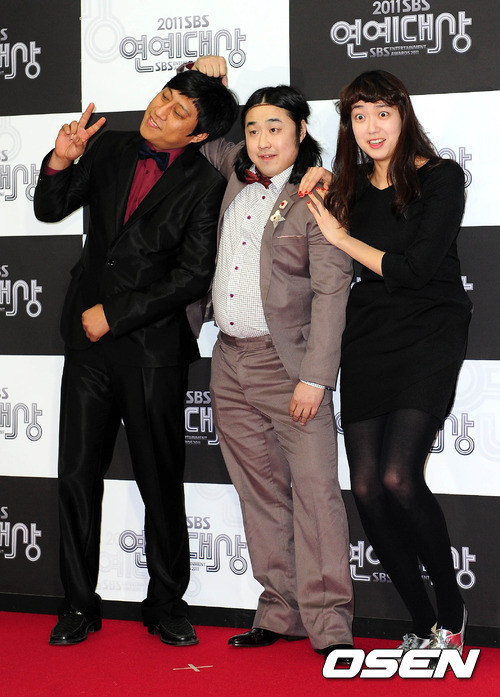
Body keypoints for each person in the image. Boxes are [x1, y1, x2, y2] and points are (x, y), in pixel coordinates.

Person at [33, 70, 239, 647]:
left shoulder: (205, 183)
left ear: (198, 136)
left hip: (151, 350)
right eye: (164, 97)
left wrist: (115, 314)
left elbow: (192, 275)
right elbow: (50, 209)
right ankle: (78, 603)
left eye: (179, 112)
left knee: (159, 478)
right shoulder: (111, 146)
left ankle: (167, 604)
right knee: (77, 475)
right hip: (87, 345)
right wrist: (61, 159)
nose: (161, 111)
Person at [191, 57, 354, 658]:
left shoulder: (318, 193)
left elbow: (333, 291)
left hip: (290, 367)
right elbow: (194, 126)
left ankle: (329, 626)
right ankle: (279, 610)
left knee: (315, 495)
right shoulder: (234, 171)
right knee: (258, 492)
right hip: (228, 362)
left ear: (301, 130)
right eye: (253, 128)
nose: (262, 140)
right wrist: (203, 78)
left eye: (275, 128)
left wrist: (316, 377)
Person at [307, 70, 472, 655]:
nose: (371, 127)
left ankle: (451, 610)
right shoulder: (347, 189)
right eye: (359, 116)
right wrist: (320, 178)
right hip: (369, 337)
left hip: (429, 331)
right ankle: (423, 621)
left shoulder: (441, 177)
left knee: (399, 478)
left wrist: (341, 237)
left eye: (382, 112)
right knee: (366, 488)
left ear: (404, 114)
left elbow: (416, 269)